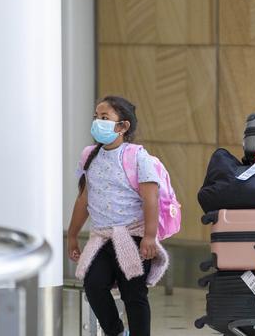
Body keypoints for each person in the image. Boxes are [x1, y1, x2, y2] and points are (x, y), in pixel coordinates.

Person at [67, 96, 168, 336]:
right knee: (93, 285)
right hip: (101, 237)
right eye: (96, 117)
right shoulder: (89, 155)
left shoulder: (138, 157)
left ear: (123, 127)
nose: (97, 122)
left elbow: (150, 198)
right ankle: (116, 332)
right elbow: (84, 199)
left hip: (132, 236)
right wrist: (72, 235)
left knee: (133, 292)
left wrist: (149, 237)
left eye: (104, 118)